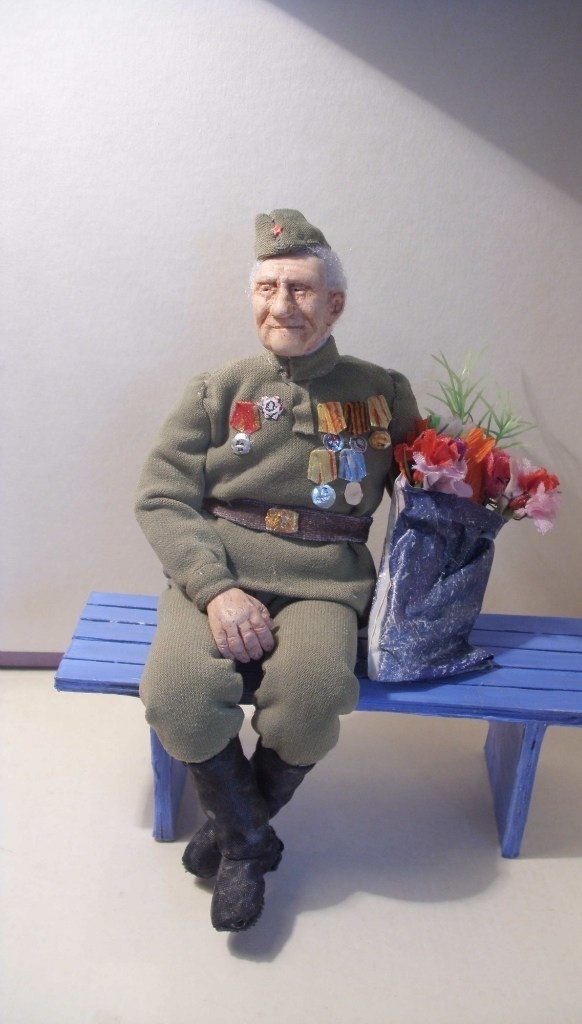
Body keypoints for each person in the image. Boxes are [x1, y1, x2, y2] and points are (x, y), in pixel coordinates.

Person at [135, 209, 420, 932]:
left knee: (316, 691)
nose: (281, 304)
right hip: (218, 570)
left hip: (325, 579)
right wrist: (215, 589)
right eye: (267, 287)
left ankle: (232, 834)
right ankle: (249, 844)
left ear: (335, 304)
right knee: (178, 693)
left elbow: (428, 487)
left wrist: (483, 490)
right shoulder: (217, 390)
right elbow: (162, 495)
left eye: (300, 288)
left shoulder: (382, 392)